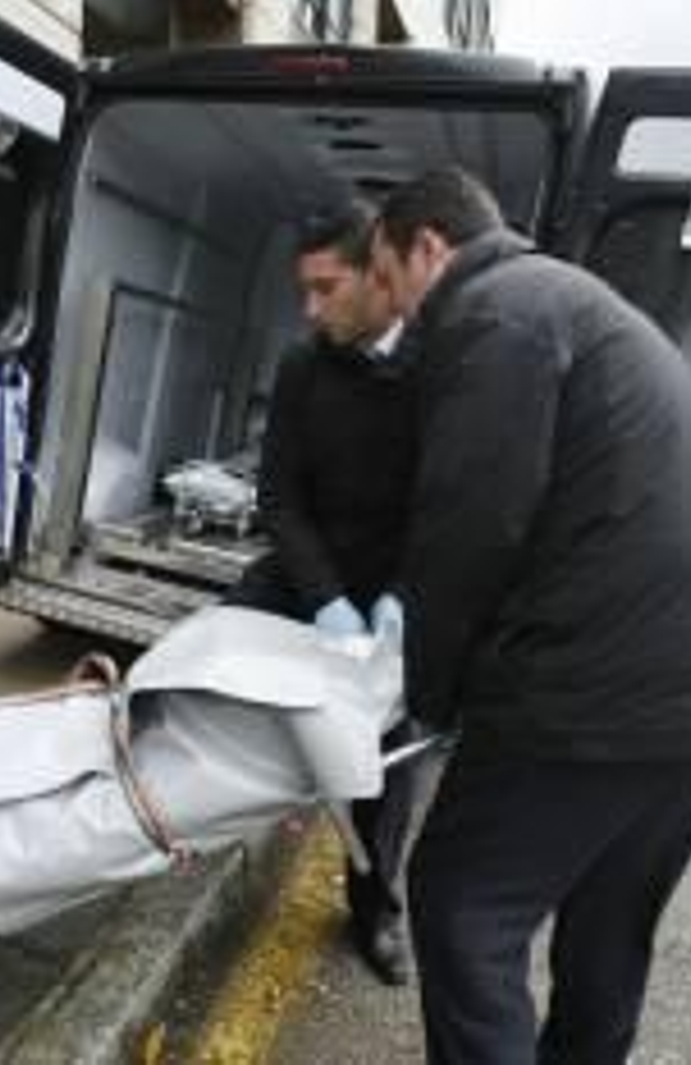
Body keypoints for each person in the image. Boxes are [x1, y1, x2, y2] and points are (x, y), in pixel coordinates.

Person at [369, 168, 691, 1064]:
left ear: (429, 247)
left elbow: (472, 527)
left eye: (386, 274)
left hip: (606, 690)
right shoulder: (573, 301)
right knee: (605, 932)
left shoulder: (496, 311)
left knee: (459, 903)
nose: (389, 302)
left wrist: (428, 696)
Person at [226, 195, 425, 986]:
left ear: (379, 279)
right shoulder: (303, 363)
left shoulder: (438, 370)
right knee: (199, 664)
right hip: (308, 573)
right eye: (301, 290)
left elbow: (455, 505)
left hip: (398, 589)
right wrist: (325, 601)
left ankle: (375, 908)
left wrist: (404, 596)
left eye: (325, 287)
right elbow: (279, 498)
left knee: (381, 768)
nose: (309, 309)